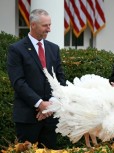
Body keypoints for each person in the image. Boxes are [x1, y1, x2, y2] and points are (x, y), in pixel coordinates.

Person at [7, 9, 66, 149]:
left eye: (50, 25)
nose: (49, 29)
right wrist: (40, 104)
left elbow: (60, 79)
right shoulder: (16, 49)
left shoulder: (54, 49)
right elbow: (18, 82)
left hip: (51, 117)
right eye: (45, 25)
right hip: (27, 117)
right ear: (33, 25)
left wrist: (50, 105)